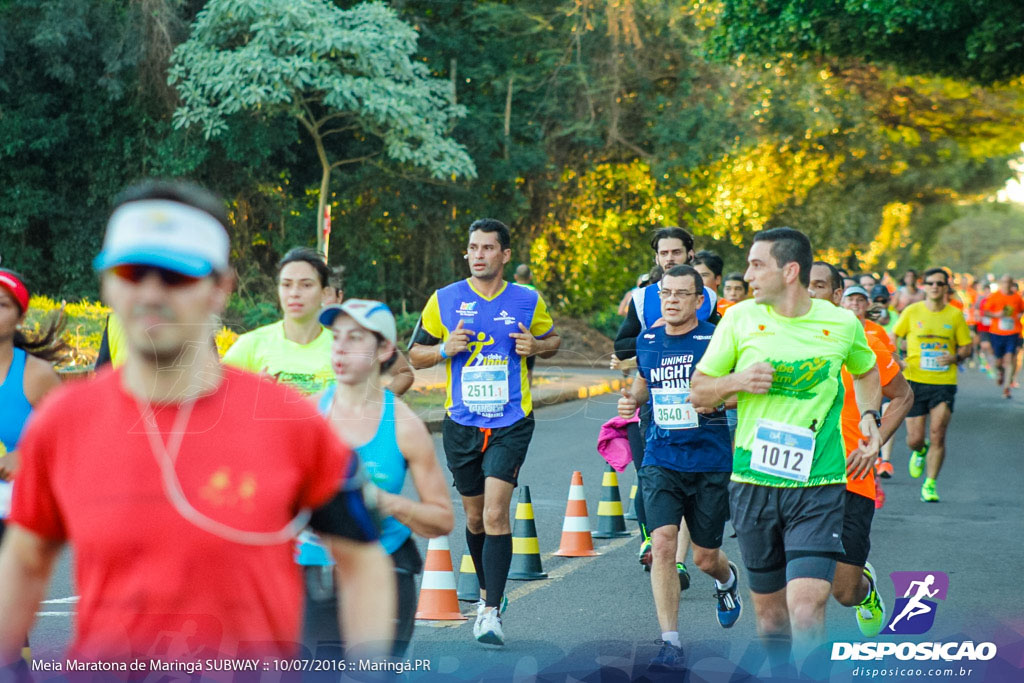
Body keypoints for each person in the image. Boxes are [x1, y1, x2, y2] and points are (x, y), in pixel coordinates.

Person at [0, 180, 395, 667]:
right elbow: (24, 561)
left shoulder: (289, 422)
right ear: (106, 283)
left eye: (175, 276)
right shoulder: (63, 423)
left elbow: (364, 560)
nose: (149, 292)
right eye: (132, 272)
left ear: (220, 288)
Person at [690, 227, 881, 669]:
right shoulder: (738, 319)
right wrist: (736, 381)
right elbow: (698, 393)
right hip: (754, 483)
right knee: (773, 620)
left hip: (819, 484)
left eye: (758, 265)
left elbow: (867, 373)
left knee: (806, 606)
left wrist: (869, 416)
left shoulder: (841, 323)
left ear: (789, 271)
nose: (748, 274)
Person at [409, 218, 560, 647]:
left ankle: (490, 610)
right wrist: (443, 349)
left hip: (512, 419)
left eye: (488, 248)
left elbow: (552, 340)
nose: (478, 255)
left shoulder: (528, 299)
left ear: (505, 255)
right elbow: (414, 355)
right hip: (462, 423)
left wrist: (536, 346)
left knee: (495, 513)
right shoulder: (444, 300)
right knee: (474, 516)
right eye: (473, 248)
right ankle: (485, 594)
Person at [301, 299, 454, 657]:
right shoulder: (306, 416)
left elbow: (441, 519)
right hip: (313, 574)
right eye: (336, 337)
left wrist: (386, 503)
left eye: (355, 338)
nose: (340, 347)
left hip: (383, 573)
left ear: (385, 348)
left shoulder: (404, 426)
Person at [616, 265, 741, 672]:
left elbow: (744, 391)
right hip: (661, 458)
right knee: (663, 546)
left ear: (699, 301)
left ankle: (726, 580)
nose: (671, 300)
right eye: (666, 293)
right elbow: (644, 381)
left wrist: (718, 400)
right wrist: (630, 401)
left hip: (709, 461)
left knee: (705, 558)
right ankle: (670, 642)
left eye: (681, 294)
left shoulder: (715, 339)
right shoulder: (648, 339)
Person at [807, 265, 913, 637]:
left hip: (852, 471)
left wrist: (875, 442)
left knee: (844, 592)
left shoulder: (865, 337)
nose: (810, 293)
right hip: (797, 474)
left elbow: (902, 396)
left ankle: (865, 589)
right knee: (801, 587)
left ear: (837, 295)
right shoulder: (780, 333)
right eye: (805, 286)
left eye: (819, 286)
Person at [613, 228, 718, 577]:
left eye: (676, 252)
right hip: (656, 399)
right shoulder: (643, 299)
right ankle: (660, 545)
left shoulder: (710, 299)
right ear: (655, 257)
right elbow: (622, 345)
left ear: (690, 255)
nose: (669, 258)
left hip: (702, 405)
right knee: (652, 474)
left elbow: (720, 347)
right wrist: (653, 334)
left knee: (690, 482)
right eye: (663, 253)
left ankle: (680, 557)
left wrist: (719, 393)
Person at [223, 248, 414, 397]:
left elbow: (404, 373)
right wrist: (249, 393)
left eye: (306, 285)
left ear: (324, 292)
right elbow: (210, 401)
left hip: (335, 447)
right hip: (271, 447)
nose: (294, 293)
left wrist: (375, 407)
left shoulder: (346, 342)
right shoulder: (251, 344)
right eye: (286, 284)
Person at [0, 269, 64, 664]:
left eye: (2, 304)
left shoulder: (36, 375)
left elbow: (75, 442)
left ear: (19, 317)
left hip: (14, 517)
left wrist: (27, 456)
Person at [893, 268, 972, 502]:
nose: (935, 287)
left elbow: (966, 347)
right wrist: (897, 358)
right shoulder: (911, 311)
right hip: (915, 380)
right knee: (914, 439)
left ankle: (930, 483)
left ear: (946, 287)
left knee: (938, 434)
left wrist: (955, 357)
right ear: (924, 286)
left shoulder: (955, 316)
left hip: (943, 383)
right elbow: (894, 336)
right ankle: (920, 451)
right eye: (930, 283)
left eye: (939, 283)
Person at [981, 275, 1024, 399]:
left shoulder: (1017, 297)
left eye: (1009, 282)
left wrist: (1018, 315)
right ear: (1001, 283)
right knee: (998, 361)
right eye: (1004, 282)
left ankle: (1006, 388)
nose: (1006, 284)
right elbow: (986, 312)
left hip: (1013, 333)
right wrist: (997, 314)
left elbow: (1022, 309)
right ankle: (1001, 371)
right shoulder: (994, 296)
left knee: (1010, 358)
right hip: (996, 333)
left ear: (1011, 284)